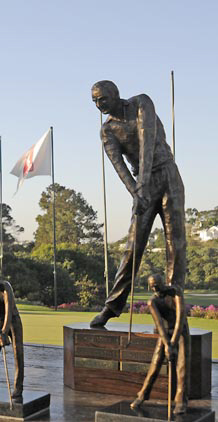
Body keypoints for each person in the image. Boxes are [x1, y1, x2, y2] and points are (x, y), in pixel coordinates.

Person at [90, 80, 186, 327]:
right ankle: (112, 306)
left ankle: (172, 306)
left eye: (103, 99)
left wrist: (141, 186)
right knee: (133, 245)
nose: (99, 105)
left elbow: (147, 143)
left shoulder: (142, 103)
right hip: (143, 187)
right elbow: (119, 167)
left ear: (115, 95)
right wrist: (136, 192)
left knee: (175, 243)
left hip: (167, 174)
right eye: (95, 102)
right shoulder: (107, 130)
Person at [131, 274, 189, 414]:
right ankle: (143, 394)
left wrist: (173, 342)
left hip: (180, 332)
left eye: (157, 285)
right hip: (165, 334)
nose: (155, 288)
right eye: (152, 286)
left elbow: (180, 319)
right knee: (155, 363)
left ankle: (181, 400)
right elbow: (160, 326)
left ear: (163, 282)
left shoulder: (175, 291)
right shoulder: (153, 302)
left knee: (182, 366)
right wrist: (168, 345)